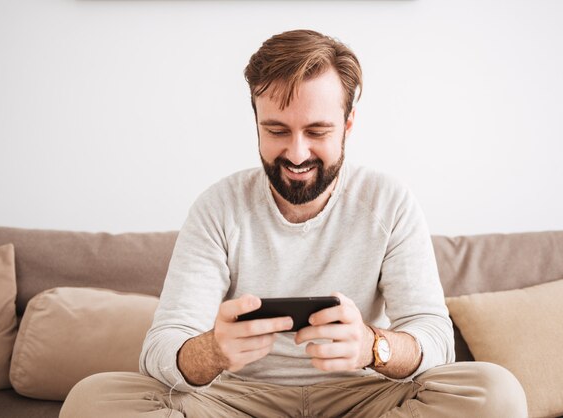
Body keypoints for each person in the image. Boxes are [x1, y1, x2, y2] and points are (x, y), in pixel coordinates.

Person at [60, 29, 527, 418]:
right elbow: (160, 349)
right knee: (91, 401)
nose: (297, 154)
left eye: (318, 131)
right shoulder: (217, 207)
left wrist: (372, 346)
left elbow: (435, 340)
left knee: (495, 393)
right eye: (277, 130)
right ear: (256, 122)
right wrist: (213, 351)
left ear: (348, 125)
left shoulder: (389, 201)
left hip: (364, 397)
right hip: (235, 401)